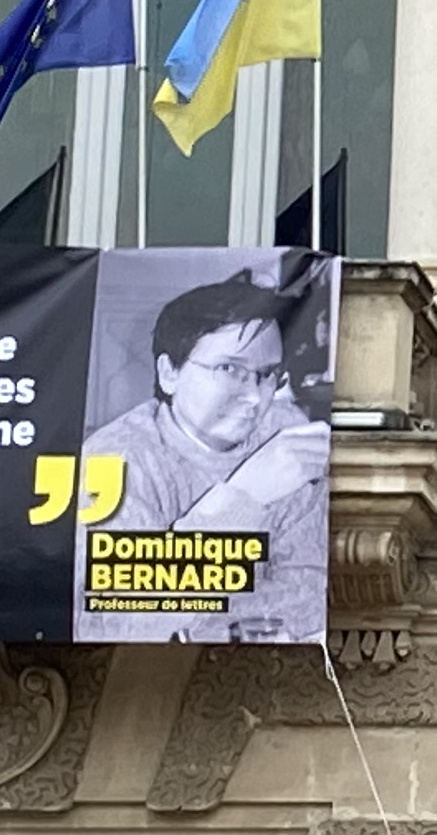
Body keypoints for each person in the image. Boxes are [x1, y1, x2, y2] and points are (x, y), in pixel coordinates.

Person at [79, 270, 329, 642]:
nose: (255, 398)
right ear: (169, 373)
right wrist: (244, 496)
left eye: (266, 375)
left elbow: (309, 599)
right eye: (229, 369)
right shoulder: (112, 458)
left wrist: (194, 619)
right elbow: (122, 619)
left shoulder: (286, 433)